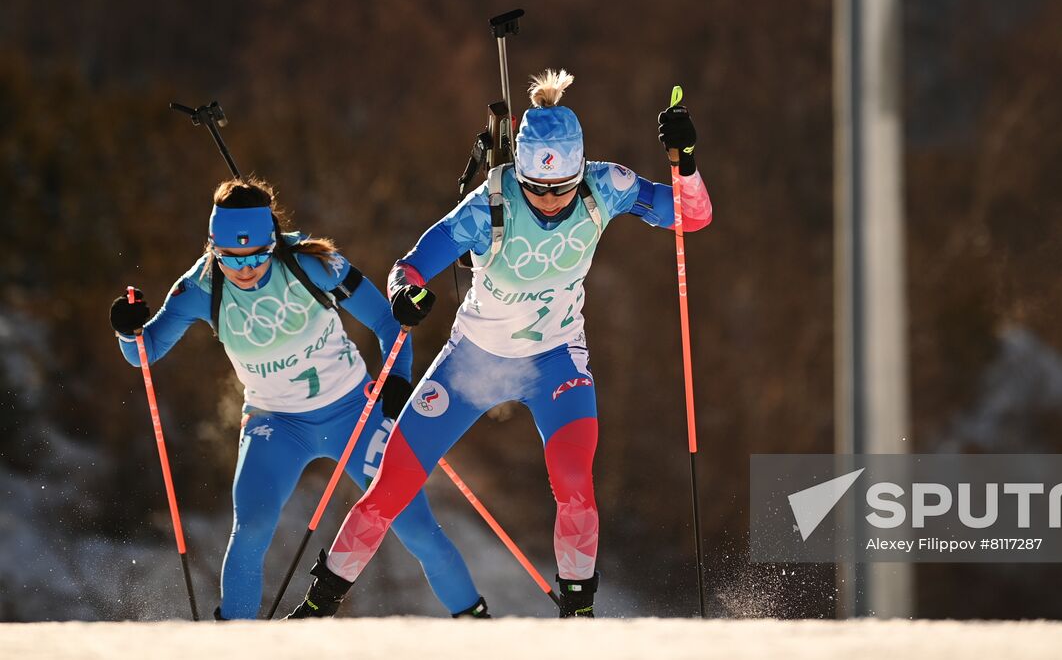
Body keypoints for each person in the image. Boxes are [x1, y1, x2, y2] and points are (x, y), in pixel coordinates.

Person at [286, 69, 713, 618]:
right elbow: (410, 267)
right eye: (538, 189)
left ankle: (578, 611)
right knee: (391, 486)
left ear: (580, 171)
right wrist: (404, 296)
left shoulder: (606, 186)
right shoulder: (488, 205)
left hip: (555, 361)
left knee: (575, 482)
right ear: (520, 174)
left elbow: (692, 217)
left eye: (562, 188)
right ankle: (317, 606)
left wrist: (686, 163)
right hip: (472, 365)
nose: (551, 201)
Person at [110, 178, 487, 619]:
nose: (246, 270)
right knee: (251, 527)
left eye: (257, 256)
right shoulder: (201, 286)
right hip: (275, 424)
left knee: (416, 526)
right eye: (232, 258)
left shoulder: (313, 264)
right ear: (213, 249)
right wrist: (127, 328)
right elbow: (145, 352)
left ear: (273, 242)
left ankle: (477, 624)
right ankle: (233, 642)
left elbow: (388, 323)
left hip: (354, 412)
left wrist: (397, 380)